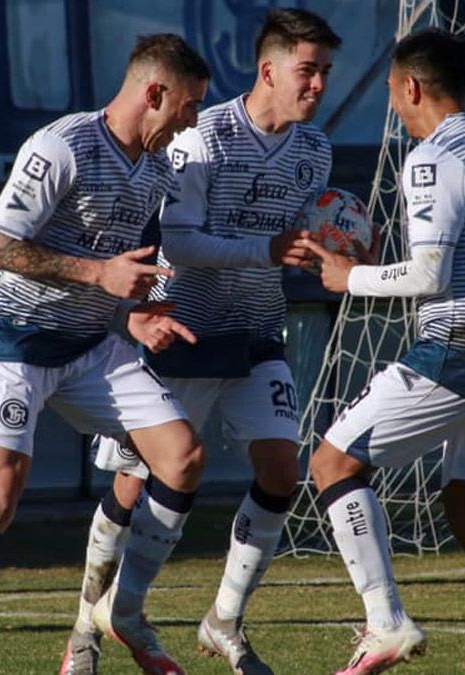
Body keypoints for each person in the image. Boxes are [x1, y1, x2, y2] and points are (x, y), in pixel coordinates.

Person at [0, 35, 211, 675]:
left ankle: (122, 610)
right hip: (10, 342)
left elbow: (120, 264)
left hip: (85, 347)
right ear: (153, 93)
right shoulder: (61, 147)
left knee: (182, 457)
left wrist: (135, 310)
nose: (191, 122)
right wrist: (100, 276)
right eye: (188, 108)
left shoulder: (158, 168)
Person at [59, 9, 341, 675]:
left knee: (281, 468)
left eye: (327, 72)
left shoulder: (314, 150)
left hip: (254, 332)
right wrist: (265, 248)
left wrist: (341, 248)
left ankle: (223, 619)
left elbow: (301, 235)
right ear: (267, 70)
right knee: (136, 483)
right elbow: (177, 238)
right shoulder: (204, 135)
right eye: (308, 71)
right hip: (183, 327)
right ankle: (83, 630)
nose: (320, 86)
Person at [301, 28, 465, 675]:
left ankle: (385, 621)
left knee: (333, 460)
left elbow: (431, 274)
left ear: (411, 87)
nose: (393, 104)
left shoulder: (434, 155)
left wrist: (348, 277)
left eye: (391, 92)